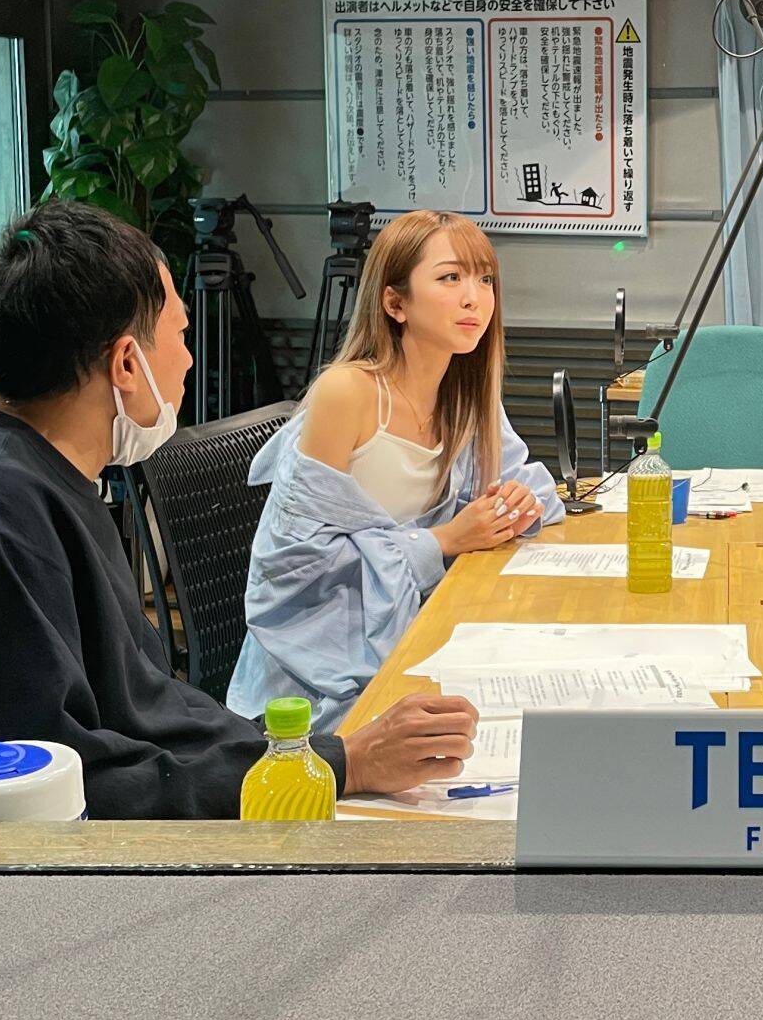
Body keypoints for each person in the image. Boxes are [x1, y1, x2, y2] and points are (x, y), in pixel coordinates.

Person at [0, 201, 476, 818]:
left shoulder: (45, 476)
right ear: (126, 363)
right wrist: (342, 764)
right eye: (181, 335)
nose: (190, 359)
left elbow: (145, 707)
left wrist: (309, 754)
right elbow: (72, 795)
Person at [228, 210, 562, 725]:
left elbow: (523, 484)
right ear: (395, 303)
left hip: (422, 635)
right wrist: (444, 540)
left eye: (485, 280)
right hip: (318, 680)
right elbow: (295, 569)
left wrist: (518, 503)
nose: (474, 298)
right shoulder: (347, 392)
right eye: (450, 278)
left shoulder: (466, 392)